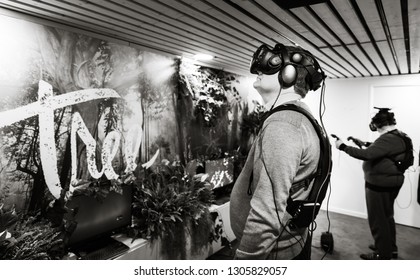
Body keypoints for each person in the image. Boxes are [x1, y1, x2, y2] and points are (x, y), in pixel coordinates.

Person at [229, 43, 326, 259]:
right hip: (288, 243)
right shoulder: (298, 118)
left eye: (273, 65)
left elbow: (268, 209)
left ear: (288, 76)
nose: (259, 70)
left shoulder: (283, 124)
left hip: (273, 252)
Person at [334, 107, 408, 260]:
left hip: (380, 185)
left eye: (373, 123)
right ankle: (388, 247)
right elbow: (379, 150)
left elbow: (367, 155)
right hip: (389, 183)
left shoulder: (388, 138)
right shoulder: (396, 135)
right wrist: (363, 142)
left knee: (378, 219)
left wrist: (343, 146)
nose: (372, 125)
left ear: (379, 123)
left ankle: (382, 254)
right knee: (387, 217)